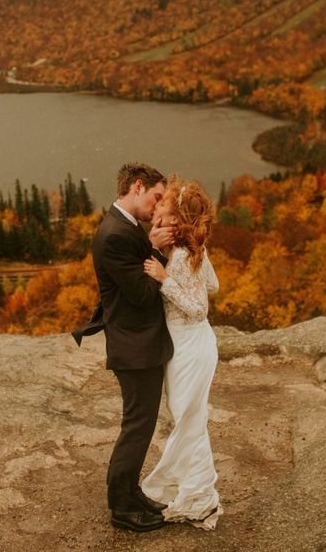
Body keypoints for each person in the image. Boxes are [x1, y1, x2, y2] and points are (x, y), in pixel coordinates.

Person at [72, 162, 175, 532]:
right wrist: (160, 254)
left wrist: (150, 246)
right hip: (133, 346)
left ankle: (133, 494)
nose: (158, 206)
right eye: (156, 197)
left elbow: (135, 276)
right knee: (137, 425)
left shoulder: (126, 228)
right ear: (136, 187)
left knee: (141, 425)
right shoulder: (115, 234)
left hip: (138, 343)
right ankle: (121, 507)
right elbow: (143, 294)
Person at [141, 176, 223, 530]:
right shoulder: (190, 252)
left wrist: (165, 280)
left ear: (174, 219)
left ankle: (200, 500)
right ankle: (195, 494)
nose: (156, 206)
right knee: (191, 423)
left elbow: (199, 307)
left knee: (189, 424)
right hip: (192, 346)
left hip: (189, 348)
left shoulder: (177, 260)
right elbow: (214, 283)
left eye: (162, 205)